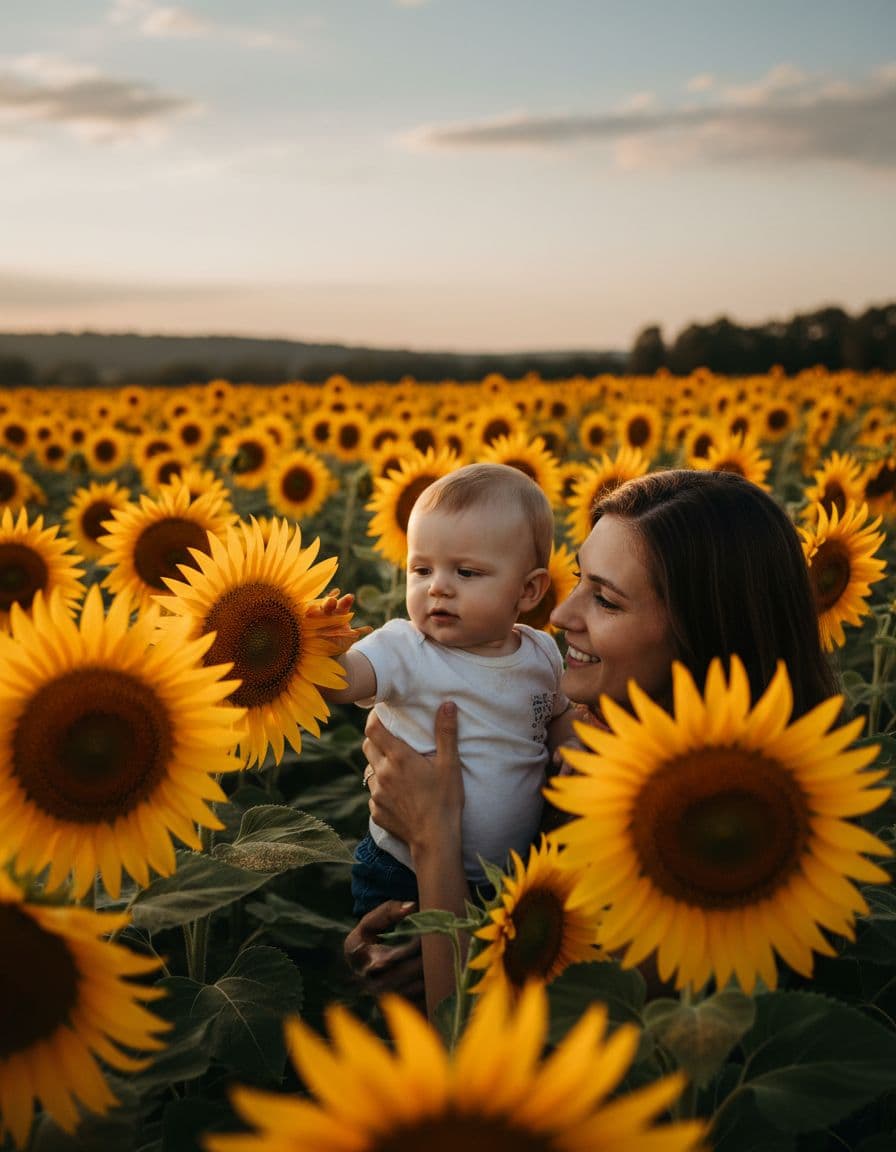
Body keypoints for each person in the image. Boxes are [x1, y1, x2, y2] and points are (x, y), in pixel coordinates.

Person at [344, 468, 838, 1017]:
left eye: (605, 600)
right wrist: (403, 946)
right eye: (579, 579)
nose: (559, 613)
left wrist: (434, 838)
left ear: (699, 633)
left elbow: (469, 1042)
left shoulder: (692, 839)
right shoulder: (579, 740)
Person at [325, 462, 573, 917]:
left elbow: (554, 716)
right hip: (404, 872)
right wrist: (325, 648)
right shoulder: (405, 646)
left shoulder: (542, 654)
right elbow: (343, 683)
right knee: (410, 976)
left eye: (467, 573)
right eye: (421, 570)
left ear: (530, 590)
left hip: (511, 879)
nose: (438, 587)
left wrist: (570, 743)